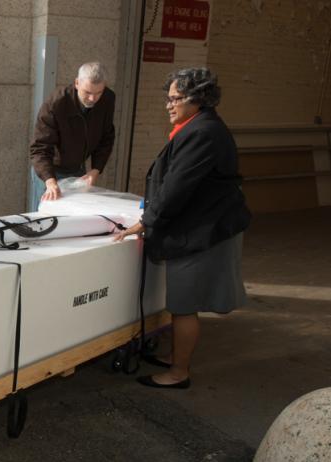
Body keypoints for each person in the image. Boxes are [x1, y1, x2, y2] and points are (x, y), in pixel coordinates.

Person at [114, 67, 251, 389]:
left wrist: (144, 222)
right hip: (198, 225)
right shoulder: (199, 127)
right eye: (168, 98)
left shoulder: (202, 133)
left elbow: (176, 187)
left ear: (198, 99)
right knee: (182, 304)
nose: (168, 104)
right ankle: (176, 358)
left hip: (202, 234)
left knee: (184, 306)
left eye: (175, 98)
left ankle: (178, 373)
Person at [30, 61, 116, 202]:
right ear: (77, 83)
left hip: (78, 169)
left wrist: (96, 169)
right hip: (50, 170)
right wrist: (50, 181)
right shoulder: (56, 102)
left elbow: (107, 137)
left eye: (98, 92)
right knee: (44, 219)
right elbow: (39, 148)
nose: (93, 99)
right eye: (87, 92)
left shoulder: (108, 98)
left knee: (72, 217)